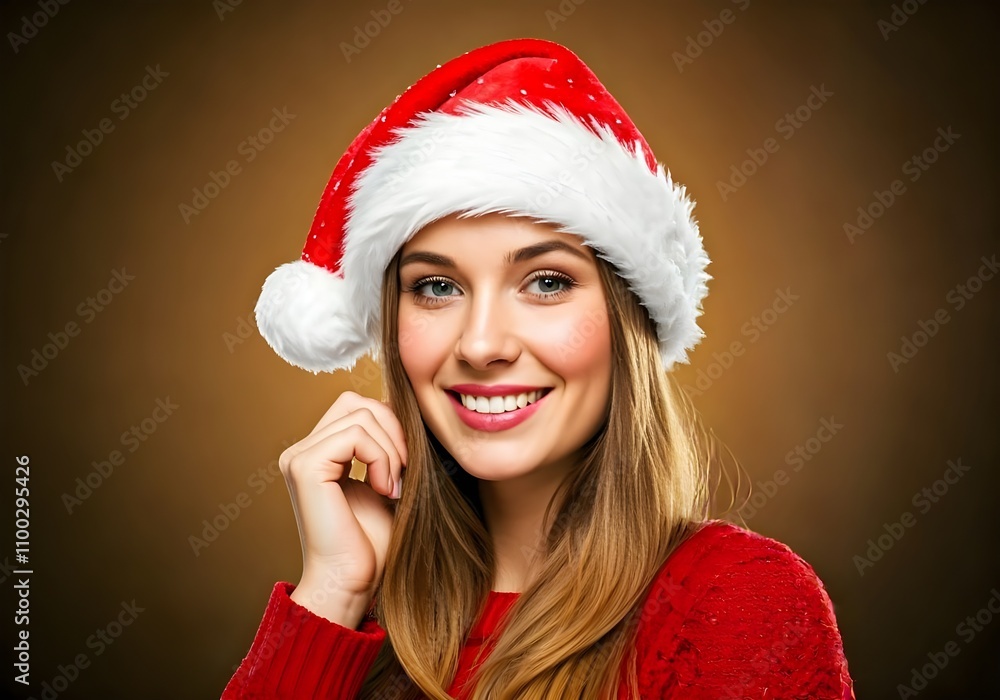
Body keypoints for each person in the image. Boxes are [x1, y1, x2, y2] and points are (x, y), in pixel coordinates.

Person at [223, 38, 855, 699]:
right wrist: (333, 593)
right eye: (437, 287)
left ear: (627, 320)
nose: (481, 344)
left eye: (547, 282)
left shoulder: (737, 602)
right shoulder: (361, 616)